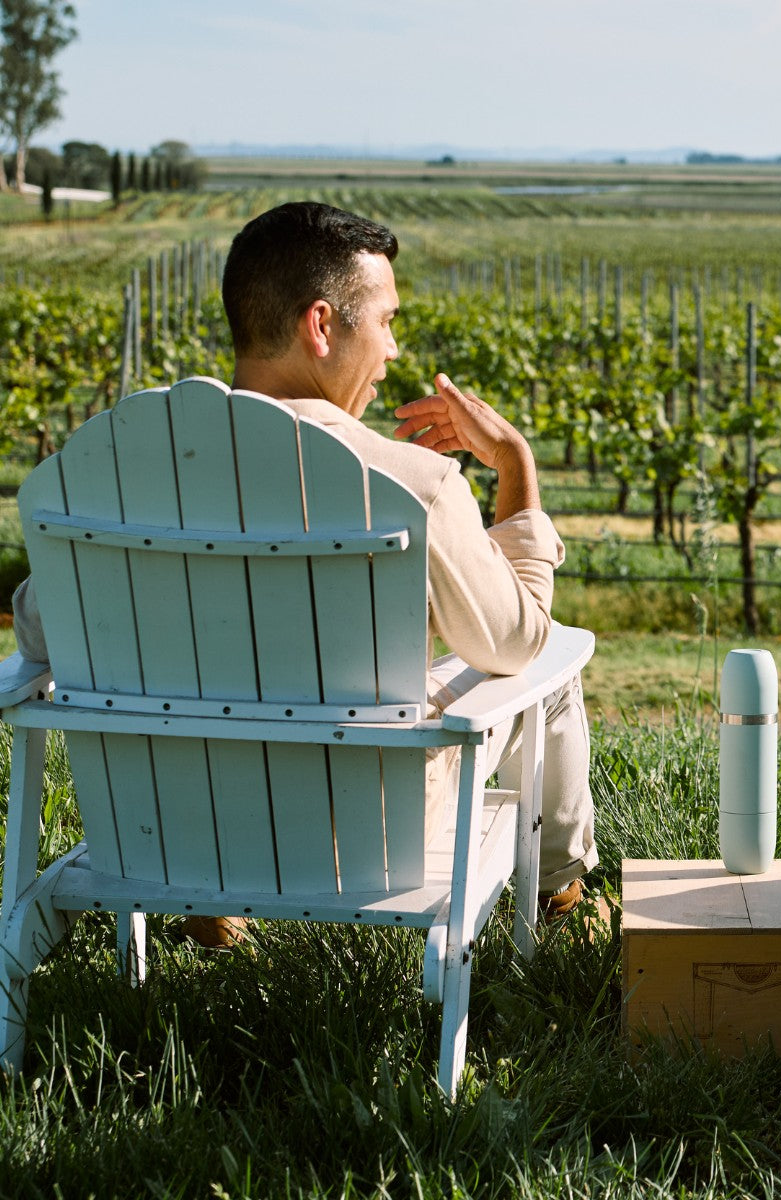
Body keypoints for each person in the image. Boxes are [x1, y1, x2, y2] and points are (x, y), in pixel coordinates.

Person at [12, 202, 596, 944]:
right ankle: (561, 901)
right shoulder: (411, 484)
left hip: (165, 824)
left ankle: (212, 906)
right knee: (550, 675)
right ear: (321, 326)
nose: (391, 349)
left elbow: (36, 631)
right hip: (363, 839)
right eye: (385, 321)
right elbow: (519, 644)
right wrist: (517, 467)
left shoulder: (121, 482)